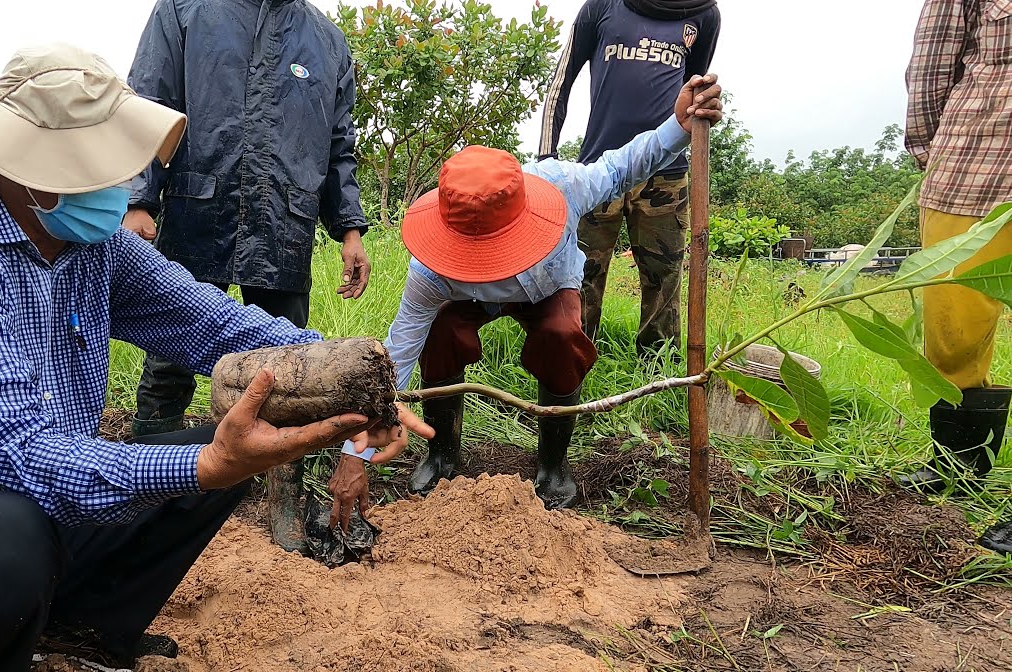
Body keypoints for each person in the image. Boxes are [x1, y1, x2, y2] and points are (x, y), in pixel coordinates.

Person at [0, 44, 428, 672]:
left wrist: (361, 380)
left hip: (36, 534)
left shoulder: (95, 251)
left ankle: (76, 631)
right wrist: (205, 466)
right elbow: (12, 451)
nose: (121, 182)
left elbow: (219, 327)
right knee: (5, 536)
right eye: (100, 163)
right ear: (31, 168)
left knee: (228, 439)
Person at [324, 75, 723, 523]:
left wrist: (679, 125)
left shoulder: (563, 185)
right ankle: (443, 456)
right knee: (439, 332)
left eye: (498, 248)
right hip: (467, 300)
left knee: (561, 336)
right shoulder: (430, 269)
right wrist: (351, 452)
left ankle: (553, 464)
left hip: (546, 289)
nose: (492, 262)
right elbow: (395, 356)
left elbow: (621, 167)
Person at [124, 0, 371, 547]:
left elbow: (338, 148)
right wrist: (139, 200)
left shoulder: (327, 42)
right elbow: (147, 105)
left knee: (290, 373)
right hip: (196, 208)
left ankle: (284, 502)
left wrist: (350, 228)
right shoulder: (185, 12)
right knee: (169, 360)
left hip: (283, 221)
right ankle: (150, 498)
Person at [537, 0, 720, 359]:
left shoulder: (703, 13)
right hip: (597, 174)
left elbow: (693, 90)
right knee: (579, 277)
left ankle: (657, 373)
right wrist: (547, 162)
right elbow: (561, 83)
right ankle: (569, 367)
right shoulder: (602, 6)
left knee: (664, 278)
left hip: (665, 174)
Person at [902, 0, 1012, 554]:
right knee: (952, 329)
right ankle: (958, 466)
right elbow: (934, 59)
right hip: (978, 160)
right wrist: (932, 149)